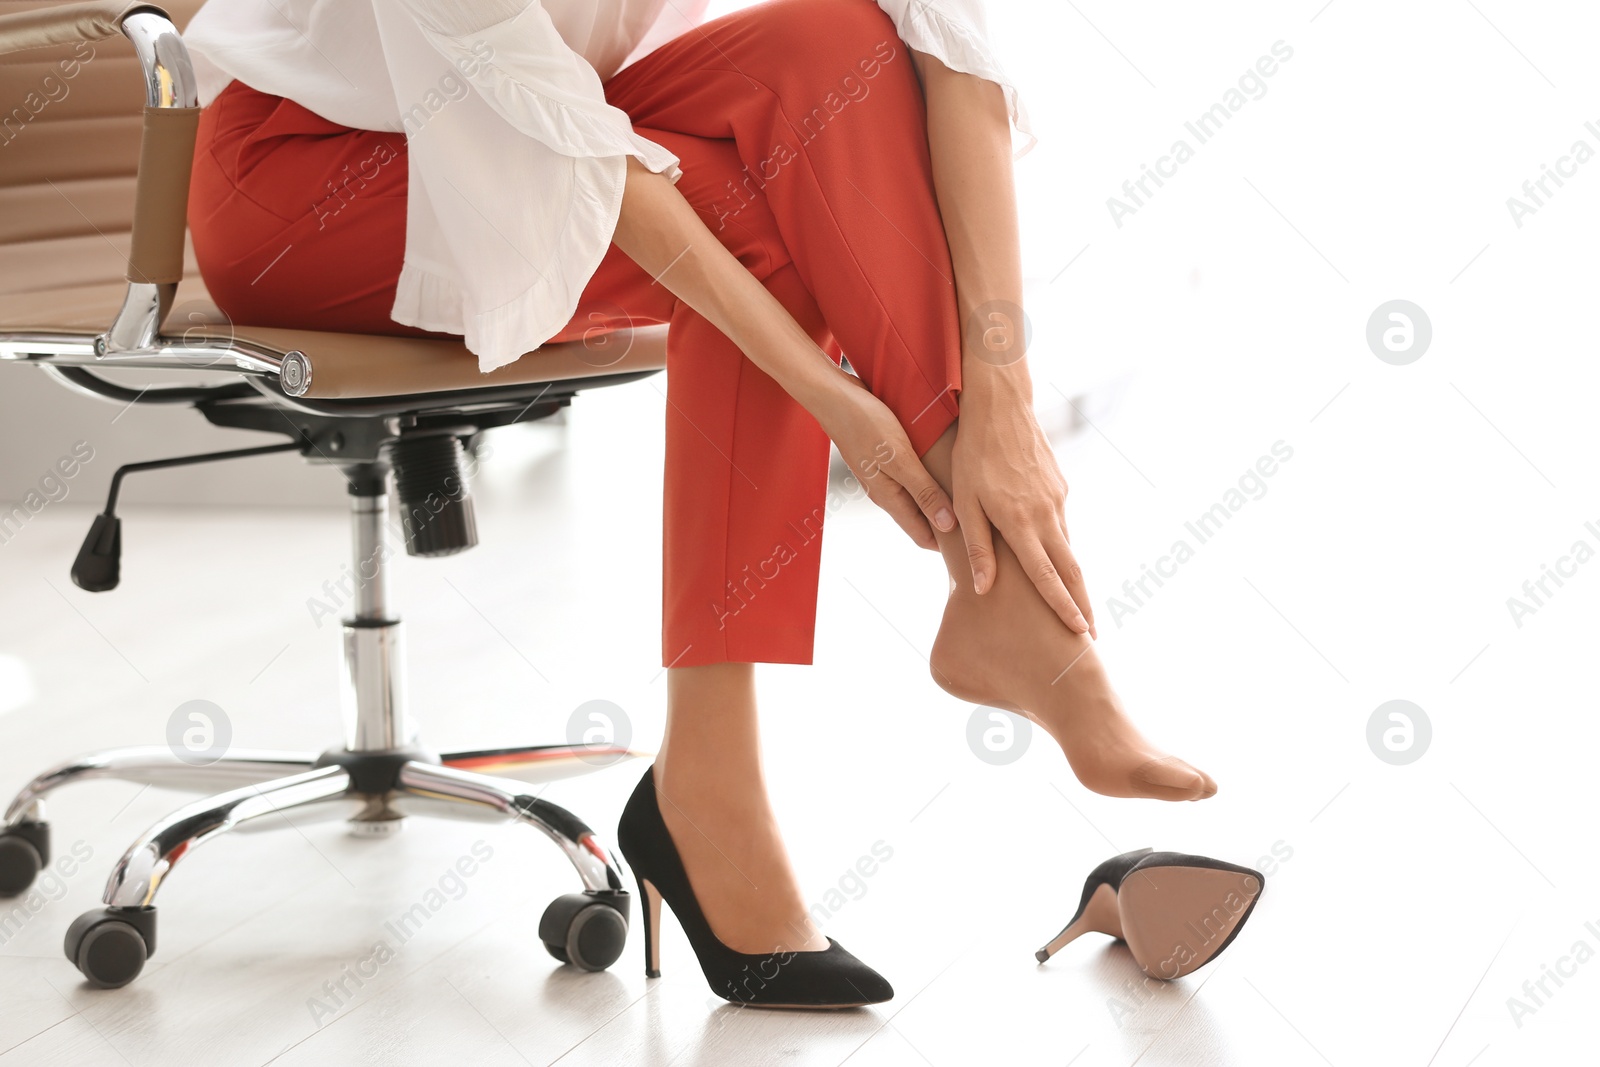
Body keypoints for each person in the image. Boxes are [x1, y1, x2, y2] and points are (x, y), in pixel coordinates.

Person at [182, 0, 1216, 1007]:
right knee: (760, 215)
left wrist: (1006, 408)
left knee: (838, 44)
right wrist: (832, 398)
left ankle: (985, 608)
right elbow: (569, 141)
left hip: (540, 115)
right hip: (311, 178)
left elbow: (954, 51)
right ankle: (906, 675)